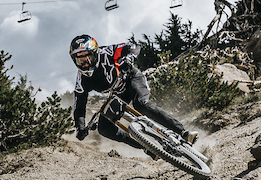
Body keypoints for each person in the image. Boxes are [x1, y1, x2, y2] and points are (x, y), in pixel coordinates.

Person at [69, 34, 198, 149]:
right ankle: (146, 147)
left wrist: (129, 58)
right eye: (80, 61)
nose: (86, 64)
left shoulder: (107, 52)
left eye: (88, 58)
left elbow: (133, 46)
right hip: (118, 94)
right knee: (104, 129)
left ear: (95, 53)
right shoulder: (81, 80)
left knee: (141, 105)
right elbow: (79, 107)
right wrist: (80, 127)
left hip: (131, 79)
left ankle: (183, 132)